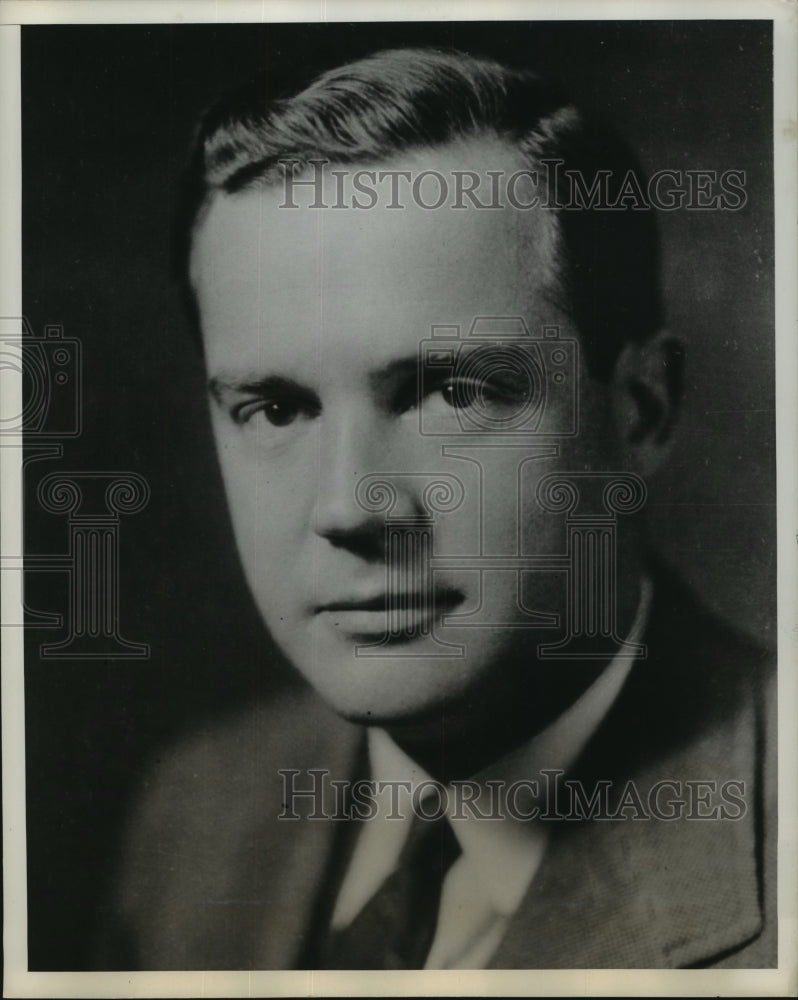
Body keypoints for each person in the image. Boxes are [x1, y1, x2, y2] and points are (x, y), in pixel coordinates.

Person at [98, 47, 775, 970]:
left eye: (451, 393)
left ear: (640, 409)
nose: (347, 508)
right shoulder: (198, 812)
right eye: (277, 408)